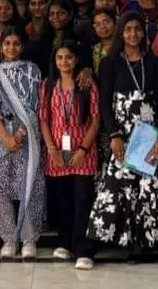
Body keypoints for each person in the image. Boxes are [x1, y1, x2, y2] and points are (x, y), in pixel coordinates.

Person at [88, 13, 158, 264]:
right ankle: (117, 244)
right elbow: (105, 105)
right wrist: (114, 135)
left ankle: (146, 246)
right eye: (128, 29)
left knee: (149, 188)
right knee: (121, 188)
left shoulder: (155, 62)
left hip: (150, 134)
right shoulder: (109, 63)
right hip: (124, 135)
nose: (133, 34)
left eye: (138, 29)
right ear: (121, 32)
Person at [39, 41, 101, 270]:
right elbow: (44, 120)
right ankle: (64, 243)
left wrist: (83, 149)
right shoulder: (48, 85)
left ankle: (83, 249)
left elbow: (96, 120)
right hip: (57, 154)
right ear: (54, 61)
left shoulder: (86, 84)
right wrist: (52, 149)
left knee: (83, 201)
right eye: (60, 58)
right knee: (63, 201)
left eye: (68, 57)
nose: (64, 62)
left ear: (76, 60)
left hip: (83, 153)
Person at [0, 29, 46, 259]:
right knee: (3, 189)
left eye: (16, 43)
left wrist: (19, 134)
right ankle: (9, 239)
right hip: (1, 138)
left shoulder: (32, 70)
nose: (11, 48)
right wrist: (6, 137)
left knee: (29, 185)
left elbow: (35, 103)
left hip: (28, 135)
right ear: (1, 47)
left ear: (22, 46)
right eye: (7, 43)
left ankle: (29, 239)